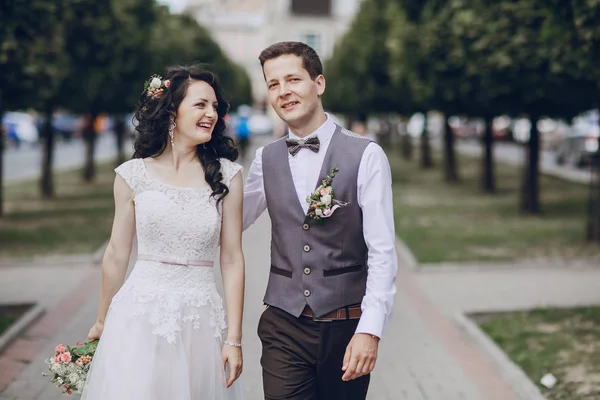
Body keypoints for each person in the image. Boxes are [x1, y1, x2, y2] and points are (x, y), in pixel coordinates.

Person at [243, 41, 398, 400]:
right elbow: (226, 224)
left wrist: (370, 330)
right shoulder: (264, 159)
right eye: (273, 84)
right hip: (283, 324)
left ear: (319, 83)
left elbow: (383, 251)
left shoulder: (366, 154)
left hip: (345, 327)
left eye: (293, 79)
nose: (283, 92)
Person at [81, 64, 245, 400]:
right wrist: (101, 321)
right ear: (172, 111)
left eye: (215, 107)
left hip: (201, 322)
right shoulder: (132, 175)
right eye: (200, 105)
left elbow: (231, 259)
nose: (211, 114)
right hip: (139, 317)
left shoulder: (228, 176)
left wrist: (234, 339)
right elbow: (116, 254)